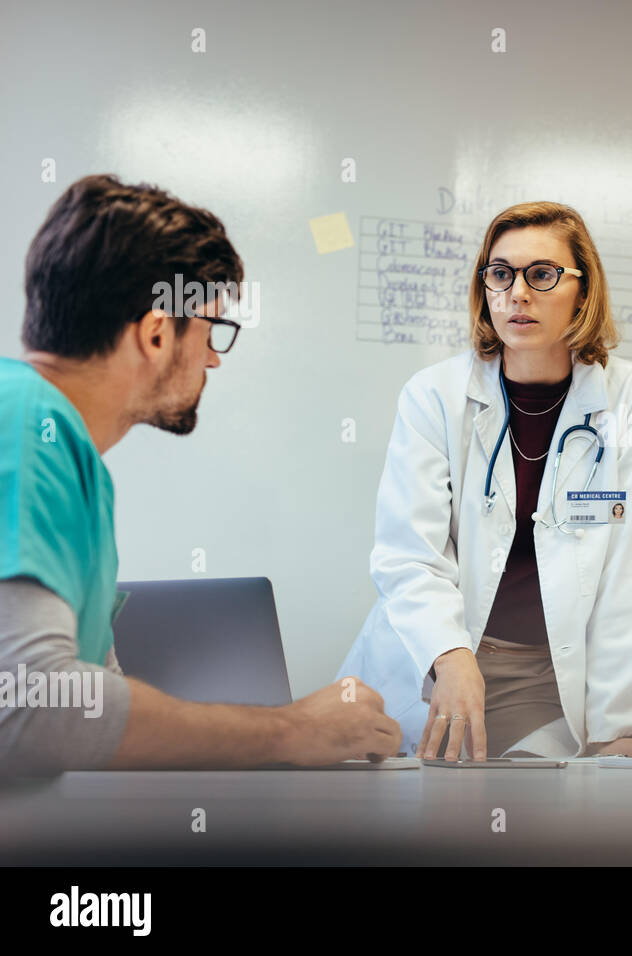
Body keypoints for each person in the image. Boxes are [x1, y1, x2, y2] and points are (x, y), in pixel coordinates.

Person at [0, 174, 400, 775]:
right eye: (212, 330)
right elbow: (33, 707)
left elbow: (89, 703)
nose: (214, 356)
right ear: (158, 333)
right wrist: (291, 732)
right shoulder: (27, 428)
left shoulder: (60, 449)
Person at [338, 202, 632, 761]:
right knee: (395, 825)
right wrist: (450, 653)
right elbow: (407, 554)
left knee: (534, 829)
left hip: (547, 679)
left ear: (583, 291)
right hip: (433, 663)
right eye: (500, 273)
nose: (518, 293)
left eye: (542, 274)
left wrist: (622, 724)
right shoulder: (434, 396)